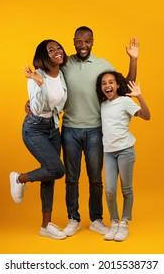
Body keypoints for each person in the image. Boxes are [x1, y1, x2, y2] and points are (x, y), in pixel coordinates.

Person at [25, 26, 139, 236]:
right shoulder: (64, 63)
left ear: (93, 41)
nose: (83, 45)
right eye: (79, 41)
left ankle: (96, 219)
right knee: (71, 178)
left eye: (87, 41)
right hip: (69, 130)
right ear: (74, 41)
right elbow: (47, 82)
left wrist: (133, 59)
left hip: (96, 130)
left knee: (95, 178)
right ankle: (73, 219)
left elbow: (125, 87)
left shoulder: (102, 64)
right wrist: (31, 99)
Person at [9, 39, 68, 240]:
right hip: (34, 129)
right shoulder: (35, 77)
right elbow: (37, 108)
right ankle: (19, 178)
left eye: (58, 48)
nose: (57, 51)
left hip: (52, 128)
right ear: (43, 56)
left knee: (49, 177)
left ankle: (45, 226)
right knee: (57, 169)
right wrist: (40, 85)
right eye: (51, 50)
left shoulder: (62, 74)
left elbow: (57, 105)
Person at [96, 71, 151, 241]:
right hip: (109, 152)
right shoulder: (102, 104)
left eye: (111, 82)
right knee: (110, 190)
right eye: (104, 83)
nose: (107, 86)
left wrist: (139, 97)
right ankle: (114, 223)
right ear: (101, 88)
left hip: (125, 150)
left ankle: (124, 222)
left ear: (118, 84)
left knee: (126, 188)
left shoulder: (125, 101)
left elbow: (146, 116)